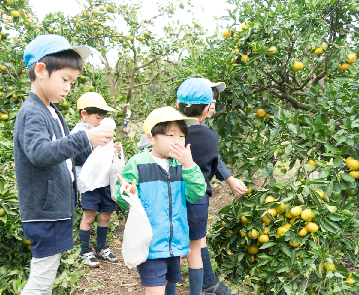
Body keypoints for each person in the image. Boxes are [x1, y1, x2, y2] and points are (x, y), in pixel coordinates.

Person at [13, 34, 114, 295]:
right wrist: (84, 137)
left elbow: (64, 156)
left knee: (46, 275)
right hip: (44, 212)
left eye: (73, 81)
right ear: (41, 71)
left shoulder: (50, 109)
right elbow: (40, 153)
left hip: (54, 209)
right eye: (64, 79)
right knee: (41, 279)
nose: (68, 87)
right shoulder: (33, 111)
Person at [165, 78, 246, 295]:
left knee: (170, 247)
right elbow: (213, 158)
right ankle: (203, 287)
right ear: (205, 108)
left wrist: (228, 178)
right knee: (196, 244)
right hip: (197, 198)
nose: (214, 106)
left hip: (168, 196)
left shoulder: (165, 131)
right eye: (212, 102)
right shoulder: (210, 137)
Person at [115, 106, 207, 295]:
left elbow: (196, 193)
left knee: (169, 286)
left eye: (181, 136)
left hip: (174, 243)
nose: (177, 141)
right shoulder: (138, 163)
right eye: (170, 135)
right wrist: (129, 194)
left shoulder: (182, 165)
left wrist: (189, 165)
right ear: (151, 138)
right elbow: (122, 197)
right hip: (151, 242)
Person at [71, 92, 121, 268]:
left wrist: (113, 150)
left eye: (102, 118)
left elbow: (105, 157)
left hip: (105, 181)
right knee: (89, 216)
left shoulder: (101, 131)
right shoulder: (78, 132)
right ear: (84, 114)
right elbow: (79, 157)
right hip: (89, 184)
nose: (100, 122)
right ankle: (85, 251)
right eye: (97, 117)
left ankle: (101, 248)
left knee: (105, 215)